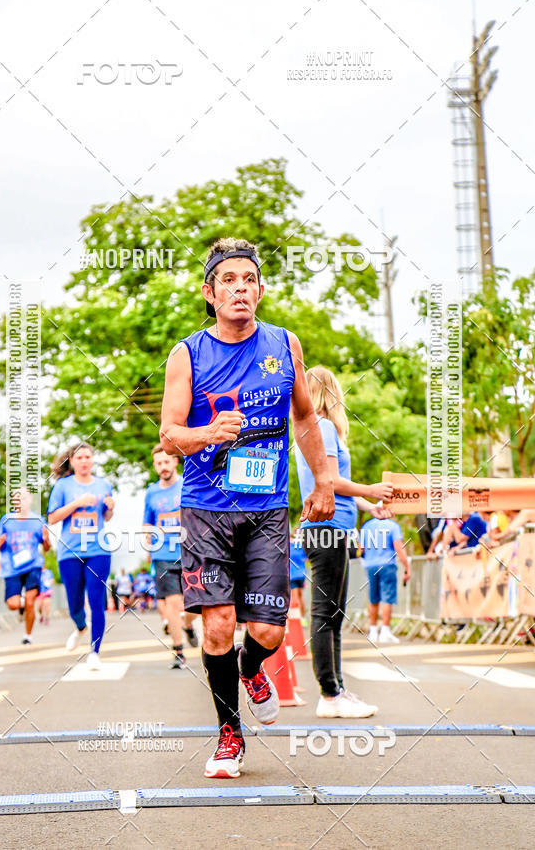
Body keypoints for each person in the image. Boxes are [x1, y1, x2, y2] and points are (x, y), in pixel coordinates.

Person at [160, 237, 335, 778]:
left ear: (259, 289)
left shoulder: (284, 345)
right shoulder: (187, 354)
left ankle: (251, 667)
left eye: (248, 279)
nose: (239, 288)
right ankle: (229, 735)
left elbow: (305, 418)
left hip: (265, 512)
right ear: (210, 293)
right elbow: (168, 435)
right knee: (217, 625)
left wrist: (324, 476)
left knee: (268, 632)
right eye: (228, 280)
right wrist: (207, 433)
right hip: (207, 509)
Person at [294, 365, 394, 718]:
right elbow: (332, 481)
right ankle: (329, 694)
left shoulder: (310, 429)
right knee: (326, 614)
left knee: (333, 613)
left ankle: (335, 688)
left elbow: (335, 483)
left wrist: (369, 506)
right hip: (328, 528)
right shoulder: (322, 427)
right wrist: (370, 490)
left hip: (330, 527)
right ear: (331, 392)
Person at [47, 442, 115, 671]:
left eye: (88, 457)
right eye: (79, 457)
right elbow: (53, 518)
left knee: (96, 601)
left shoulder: (103, 484)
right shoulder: (63, 486)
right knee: (74, 602)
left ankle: (95, 651)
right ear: (72, 462)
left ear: (92, 460)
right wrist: (77, 503)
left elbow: (105, 517)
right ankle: (80, 627)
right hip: (70, 552)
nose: (84, 461)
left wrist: (110, 507)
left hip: (98, 550)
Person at [143, 444, 198, 669]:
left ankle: (187, 625)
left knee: (195, 606)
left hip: (191, 551)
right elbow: (147, 521)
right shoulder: (151, 492)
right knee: (173, 603)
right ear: (155, 466)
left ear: (175, 461)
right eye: (158, 463)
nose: (163, 467)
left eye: (166, 462)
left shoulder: (189, 485)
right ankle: (178, 651)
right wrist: (147, 537)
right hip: (163, 553)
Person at [0, 488, 49, 645]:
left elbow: (46, 547)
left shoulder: (38, 521)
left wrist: (47, 540)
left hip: (33, 565)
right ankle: (23, 604)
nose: (20, 501)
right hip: (11, 567)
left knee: (30, 601)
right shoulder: (6, 520)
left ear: (30, 500)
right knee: (13, 604)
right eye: (17, 498)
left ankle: (28, 636)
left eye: (23, 498)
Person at [360, 515, 410, 644]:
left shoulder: (366, 526)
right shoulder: (392, 526)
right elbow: (398, 547)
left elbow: (361, 548)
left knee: (373, 598)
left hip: (370, 565)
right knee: (387, 597)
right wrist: (406, 566)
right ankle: (385, 631)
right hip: (387, 564)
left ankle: (373, 631)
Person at [289, 530, 307, 619]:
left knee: (294, 597)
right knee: (300, 596)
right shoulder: (301, 546)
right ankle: (302, 617)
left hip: (293, 575)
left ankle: (296, 619)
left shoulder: (287, 546)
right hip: (301, 574)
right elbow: (306, 558)